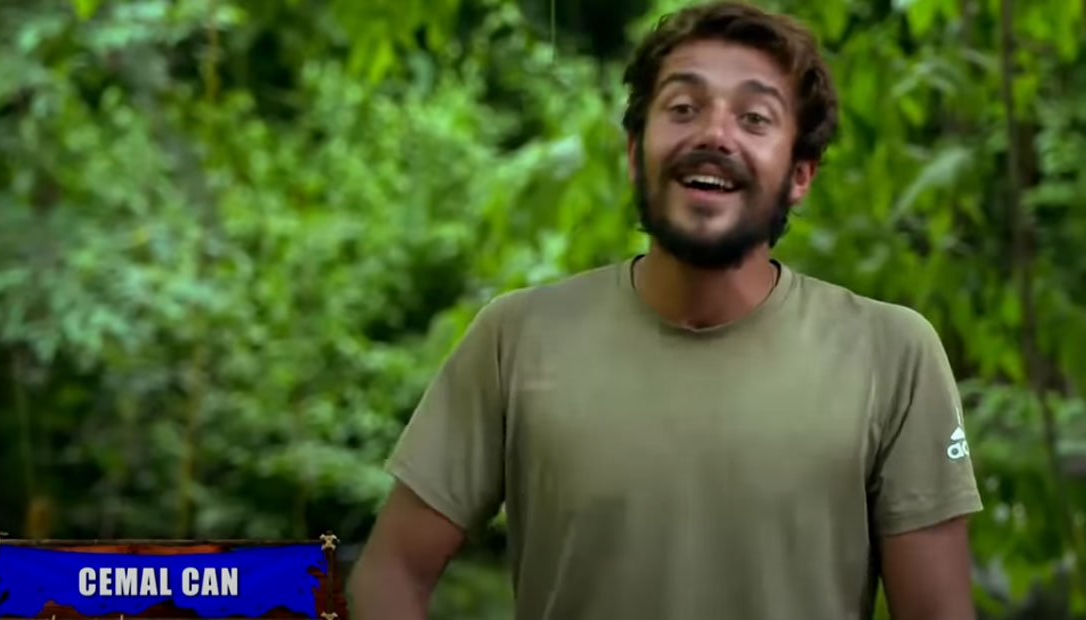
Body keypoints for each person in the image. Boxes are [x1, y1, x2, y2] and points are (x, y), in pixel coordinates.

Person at [348, 2, 983, 618]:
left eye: (754, 119)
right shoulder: (515, 338)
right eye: (683, 108)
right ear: (635, 153)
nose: (714, 135)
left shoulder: (891, 354)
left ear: (800, 174)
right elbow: (389, 572)